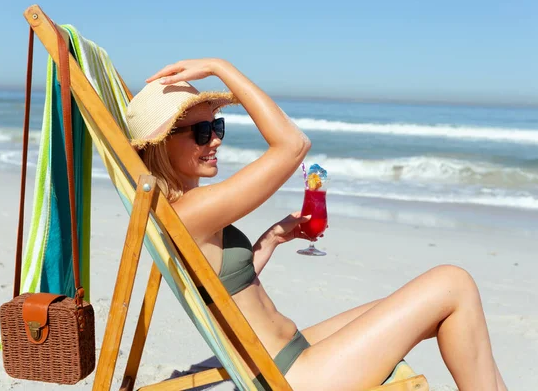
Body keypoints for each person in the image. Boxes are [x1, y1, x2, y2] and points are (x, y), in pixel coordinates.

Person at [125, 58, 507, 391]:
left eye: (217, 127)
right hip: (294, 377)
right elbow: (292, 144)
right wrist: (219, 68)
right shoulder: (191, 211)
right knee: (453, 283)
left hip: (288, 355)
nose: (216, 141)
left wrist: (271, 239)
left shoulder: (182, 211)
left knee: (430, 303)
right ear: (160, 143)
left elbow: (217, 290)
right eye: (202, 132)